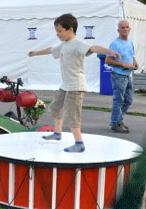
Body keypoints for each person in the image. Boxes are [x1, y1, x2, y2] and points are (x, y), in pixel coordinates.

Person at [26, 14, 122, 153]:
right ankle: (57, 133)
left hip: (76, 86)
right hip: (65, 85)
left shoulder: (78, 44)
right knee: (55, 108)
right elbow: (51, 49)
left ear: (70, 29)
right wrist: (36, 53)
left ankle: (79, 143)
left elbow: (94, 48)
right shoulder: (64, 45)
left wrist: (110, 51)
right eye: (56, 31)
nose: (57, 34)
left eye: (59, 31)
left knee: (72, 116)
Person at [104, 20, 139, 134]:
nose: (125, 29)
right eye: (122, 27)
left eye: (127, 27)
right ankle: (116, 124)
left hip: (127, 76)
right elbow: (108, 60)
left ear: (130, 29)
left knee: (128, 100)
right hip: (118, 76)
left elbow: (131, 55)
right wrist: (123, 64)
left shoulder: (130, 42)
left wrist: (135, 62)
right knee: (118, 101)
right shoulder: (115, 44)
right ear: (118, 30)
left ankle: (117, 120)